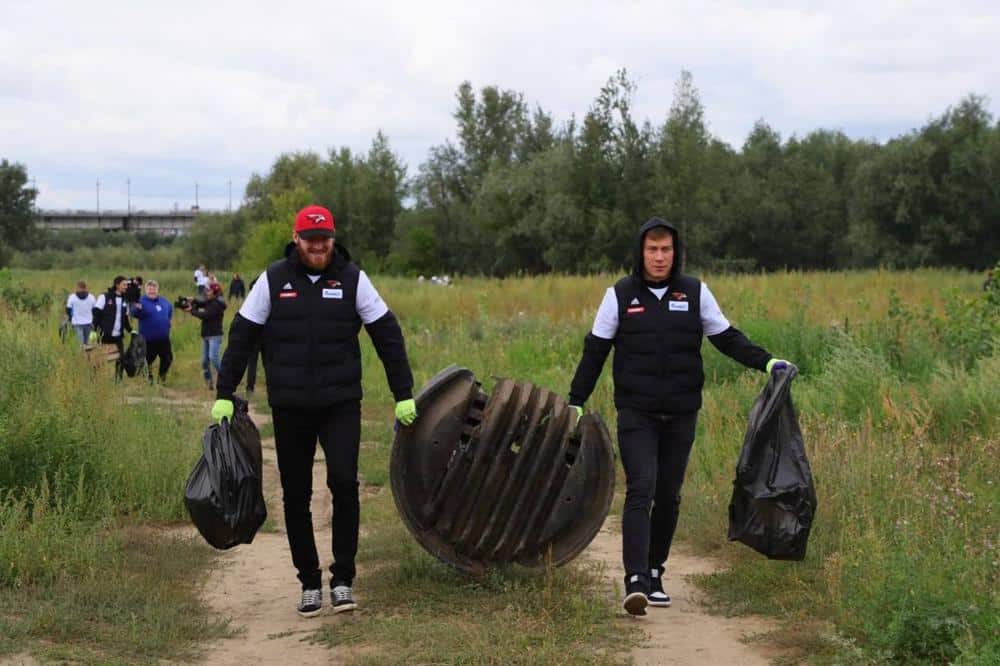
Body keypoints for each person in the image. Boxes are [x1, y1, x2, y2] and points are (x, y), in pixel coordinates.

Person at [567, 217, 791, 617]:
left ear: (676, 252)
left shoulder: (694, 292)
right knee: (642, 488)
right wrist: (575, 401)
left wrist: (768, 362)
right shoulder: (619, 295)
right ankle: (634, 579)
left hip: (682, 411)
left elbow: (727, 337)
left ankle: (655, 572)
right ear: (641, 252)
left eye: (665, 249)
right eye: (651, 249)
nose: (658, 257)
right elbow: (595, 351)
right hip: (637, 411)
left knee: (668, 495)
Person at [211, 204, 417, 618]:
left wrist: (403, 393)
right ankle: (309, 581)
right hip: (290, 406)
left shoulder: (353, 278)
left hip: (341, 403)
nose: (318, 247)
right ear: (297, 238)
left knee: (344, 485)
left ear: (332, 239)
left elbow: (387, 334)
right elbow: (242, 334)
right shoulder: (273, 280)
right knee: (296, 494)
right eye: (311, 240)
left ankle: (342, 579)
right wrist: (224, 391)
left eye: (324, 240)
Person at [185, 282, 227, 390]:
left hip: (215, 335)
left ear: (214, 292)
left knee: (213, 357)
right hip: (206, 335)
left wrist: (192, 311)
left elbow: (205, 315)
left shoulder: (217, 304)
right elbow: (201, 303)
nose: (206, 292)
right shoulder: (210, 301)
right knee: (204, 361)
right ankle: (209, 383)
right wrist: (193, 300)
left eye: (208, 290)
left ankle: (226, 378)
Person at [130, 279, 173, 384]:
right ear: (146, 290)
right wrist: (136, 307)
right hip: (148, 339)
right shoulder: (141, 301)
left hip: (163, 339)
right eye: (149, 289)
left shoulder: (164, 301)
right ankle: (148, 379)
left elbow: (169, 312)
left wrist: (167, 322)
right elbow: (134, 312)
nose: (152, 291)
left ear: (157, 290)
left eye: (154, 289)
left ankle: (161, 379)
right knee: (147, 361)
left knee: (168, 359)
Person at [92, 276, 133, 380]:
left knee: (121, 359)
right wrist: (93, 330)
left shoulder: (125, 300)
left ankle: (118, 381)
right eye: (124, 285)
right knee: (100, 359)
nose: (126, 287)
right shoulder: (104, 297)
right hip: (104, 334)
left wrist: (131, 330)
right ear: (117, 285)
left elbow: (125, 319)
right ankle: (94, 380)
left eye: (126, 285)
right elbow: (96, 313)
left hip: (118, 336)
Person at [66, 280, 96, 348]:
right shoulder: (91, 297)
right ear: (85, 287)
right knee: (90, 344)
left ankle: (82, 357)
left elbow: (68, 310)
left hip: (77, 323)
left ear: (77, 287)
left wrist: (71, 318)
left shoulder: (72, 297)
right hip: (89, 323)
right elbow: (95, 310)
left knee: (81, 345)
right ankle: (90, 357)